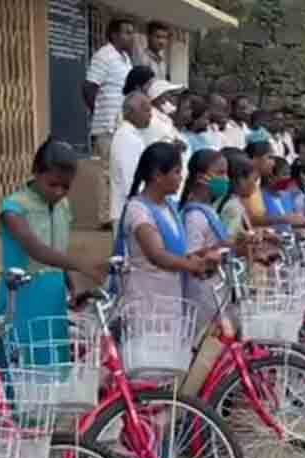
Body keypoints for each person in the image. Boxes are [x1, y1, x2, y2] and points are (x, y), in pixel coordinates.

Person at [0, 140, 108, 360]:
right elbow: (36, 249)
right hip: (21, 298)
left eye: (66, 187)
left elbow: (58, 251)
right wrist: (82, 265)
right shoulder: (14, 208)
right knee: (23, 371)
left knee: (54, 368)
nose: (59, 192)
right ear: (36, 173)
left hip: (53, 296)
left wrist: (72, 287)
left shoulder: (62, 206)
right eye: (52, 184)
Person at [115, 141, 210, 304]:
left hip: (171, 294)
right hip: (146, 298)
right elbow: (156, 254)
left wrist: (203, 257)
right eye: (177, 172)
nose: (181, 178)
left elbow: (176, 252)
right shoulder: (137, 209)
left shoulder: (170, 207)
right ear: (158, 175)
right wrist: (193, 266)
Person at [83, 18, 136, 230]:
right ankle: (105, 217)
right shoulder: (103, 56)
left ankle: (118, 212)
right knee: (106, 171)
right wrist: (99, 112)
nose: (131, 37)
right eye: (127, 32)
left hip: (121, 124)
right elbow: (88, 87)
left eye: (132, 32)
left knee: (118, 169)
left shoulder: (124, 58)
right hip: (107, 124)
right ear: (114, 35)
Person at [180, 148, 231, 325]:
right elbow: (191, 257)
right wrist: (215, 251)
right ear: (201, 177)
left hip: (216, 291)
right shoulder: (194, 216)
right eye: (220, 173)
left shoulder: (209, 210)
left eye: (227, 173)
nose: (226, 179)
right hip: (202, 295)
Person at [110, 92, 153, 233]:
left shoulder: (132, 135)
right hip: (127, 210)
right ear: (130, 112)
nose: (150, 115)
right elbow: (131, 179)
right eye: (146, 110)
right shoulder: (127, 138)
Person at [218, 149, 257, 236]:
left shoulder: (234, 202)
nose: (255, 185)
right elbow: (230, 239)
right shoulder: (232, 207)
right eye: (254, 180)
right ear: (241, 180)